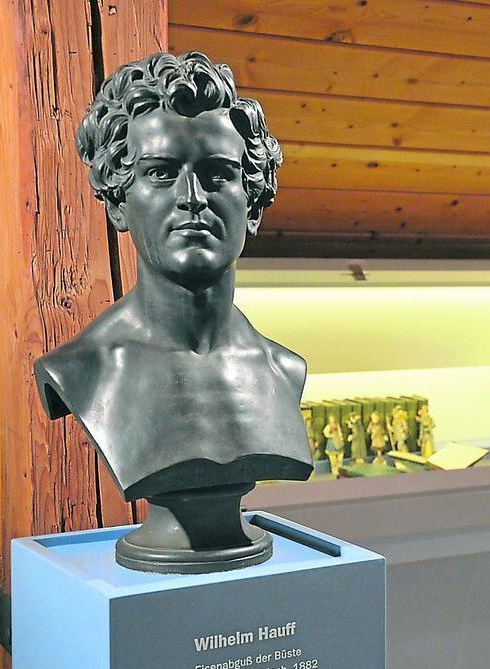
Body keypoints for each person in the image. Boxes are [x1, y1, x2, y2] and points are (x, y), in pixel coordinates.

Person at [32, 52, 312, 572]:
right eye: (160, 173)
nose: (192, 198)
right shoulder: (83, 371)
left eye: (218, 174)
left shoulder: (283, 369)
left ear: (252, 204)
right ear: (118, 203)